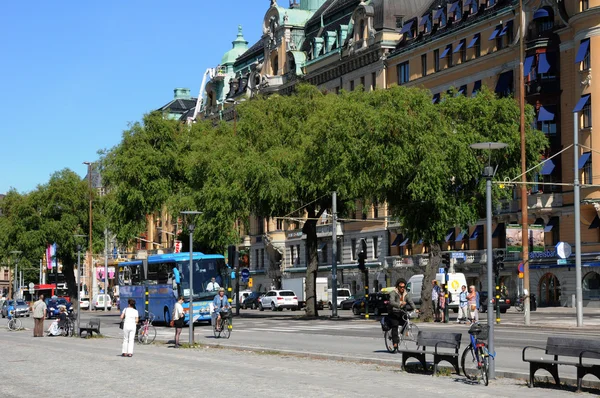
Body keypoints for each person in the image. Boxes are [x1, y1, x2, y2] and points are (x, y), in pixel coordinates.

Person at [387, 279, 415, 350]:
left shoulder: (405, 294)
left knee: (405, 322)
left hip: (401, 312)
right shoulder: (393, 293)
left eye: (403, 287)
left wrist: (415, 309)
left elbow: (410, 301)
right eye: (401, 287)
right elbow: (391, 302)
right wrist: (399, 304)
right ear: (397, 287)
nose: (402, 288)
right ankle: (395, 343)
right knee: (395, 325)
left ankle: (400, 335)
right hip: (394, 312)